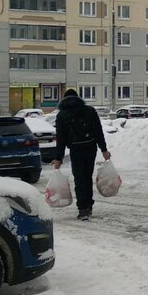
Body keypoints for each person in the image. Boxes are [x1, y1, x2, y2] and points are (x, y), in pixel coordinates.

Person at [52, 89, 111, 221]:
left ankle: (83, 209)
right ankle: (89, 206)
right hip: (90, 147)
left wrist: (58, 158)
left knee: (79, 179)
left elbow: (60, 139)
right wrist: (104, 149)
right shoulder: (89, 111)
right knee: (87, 177)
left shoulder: (62, 115)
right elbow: (98, 131)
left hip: (76, 150)